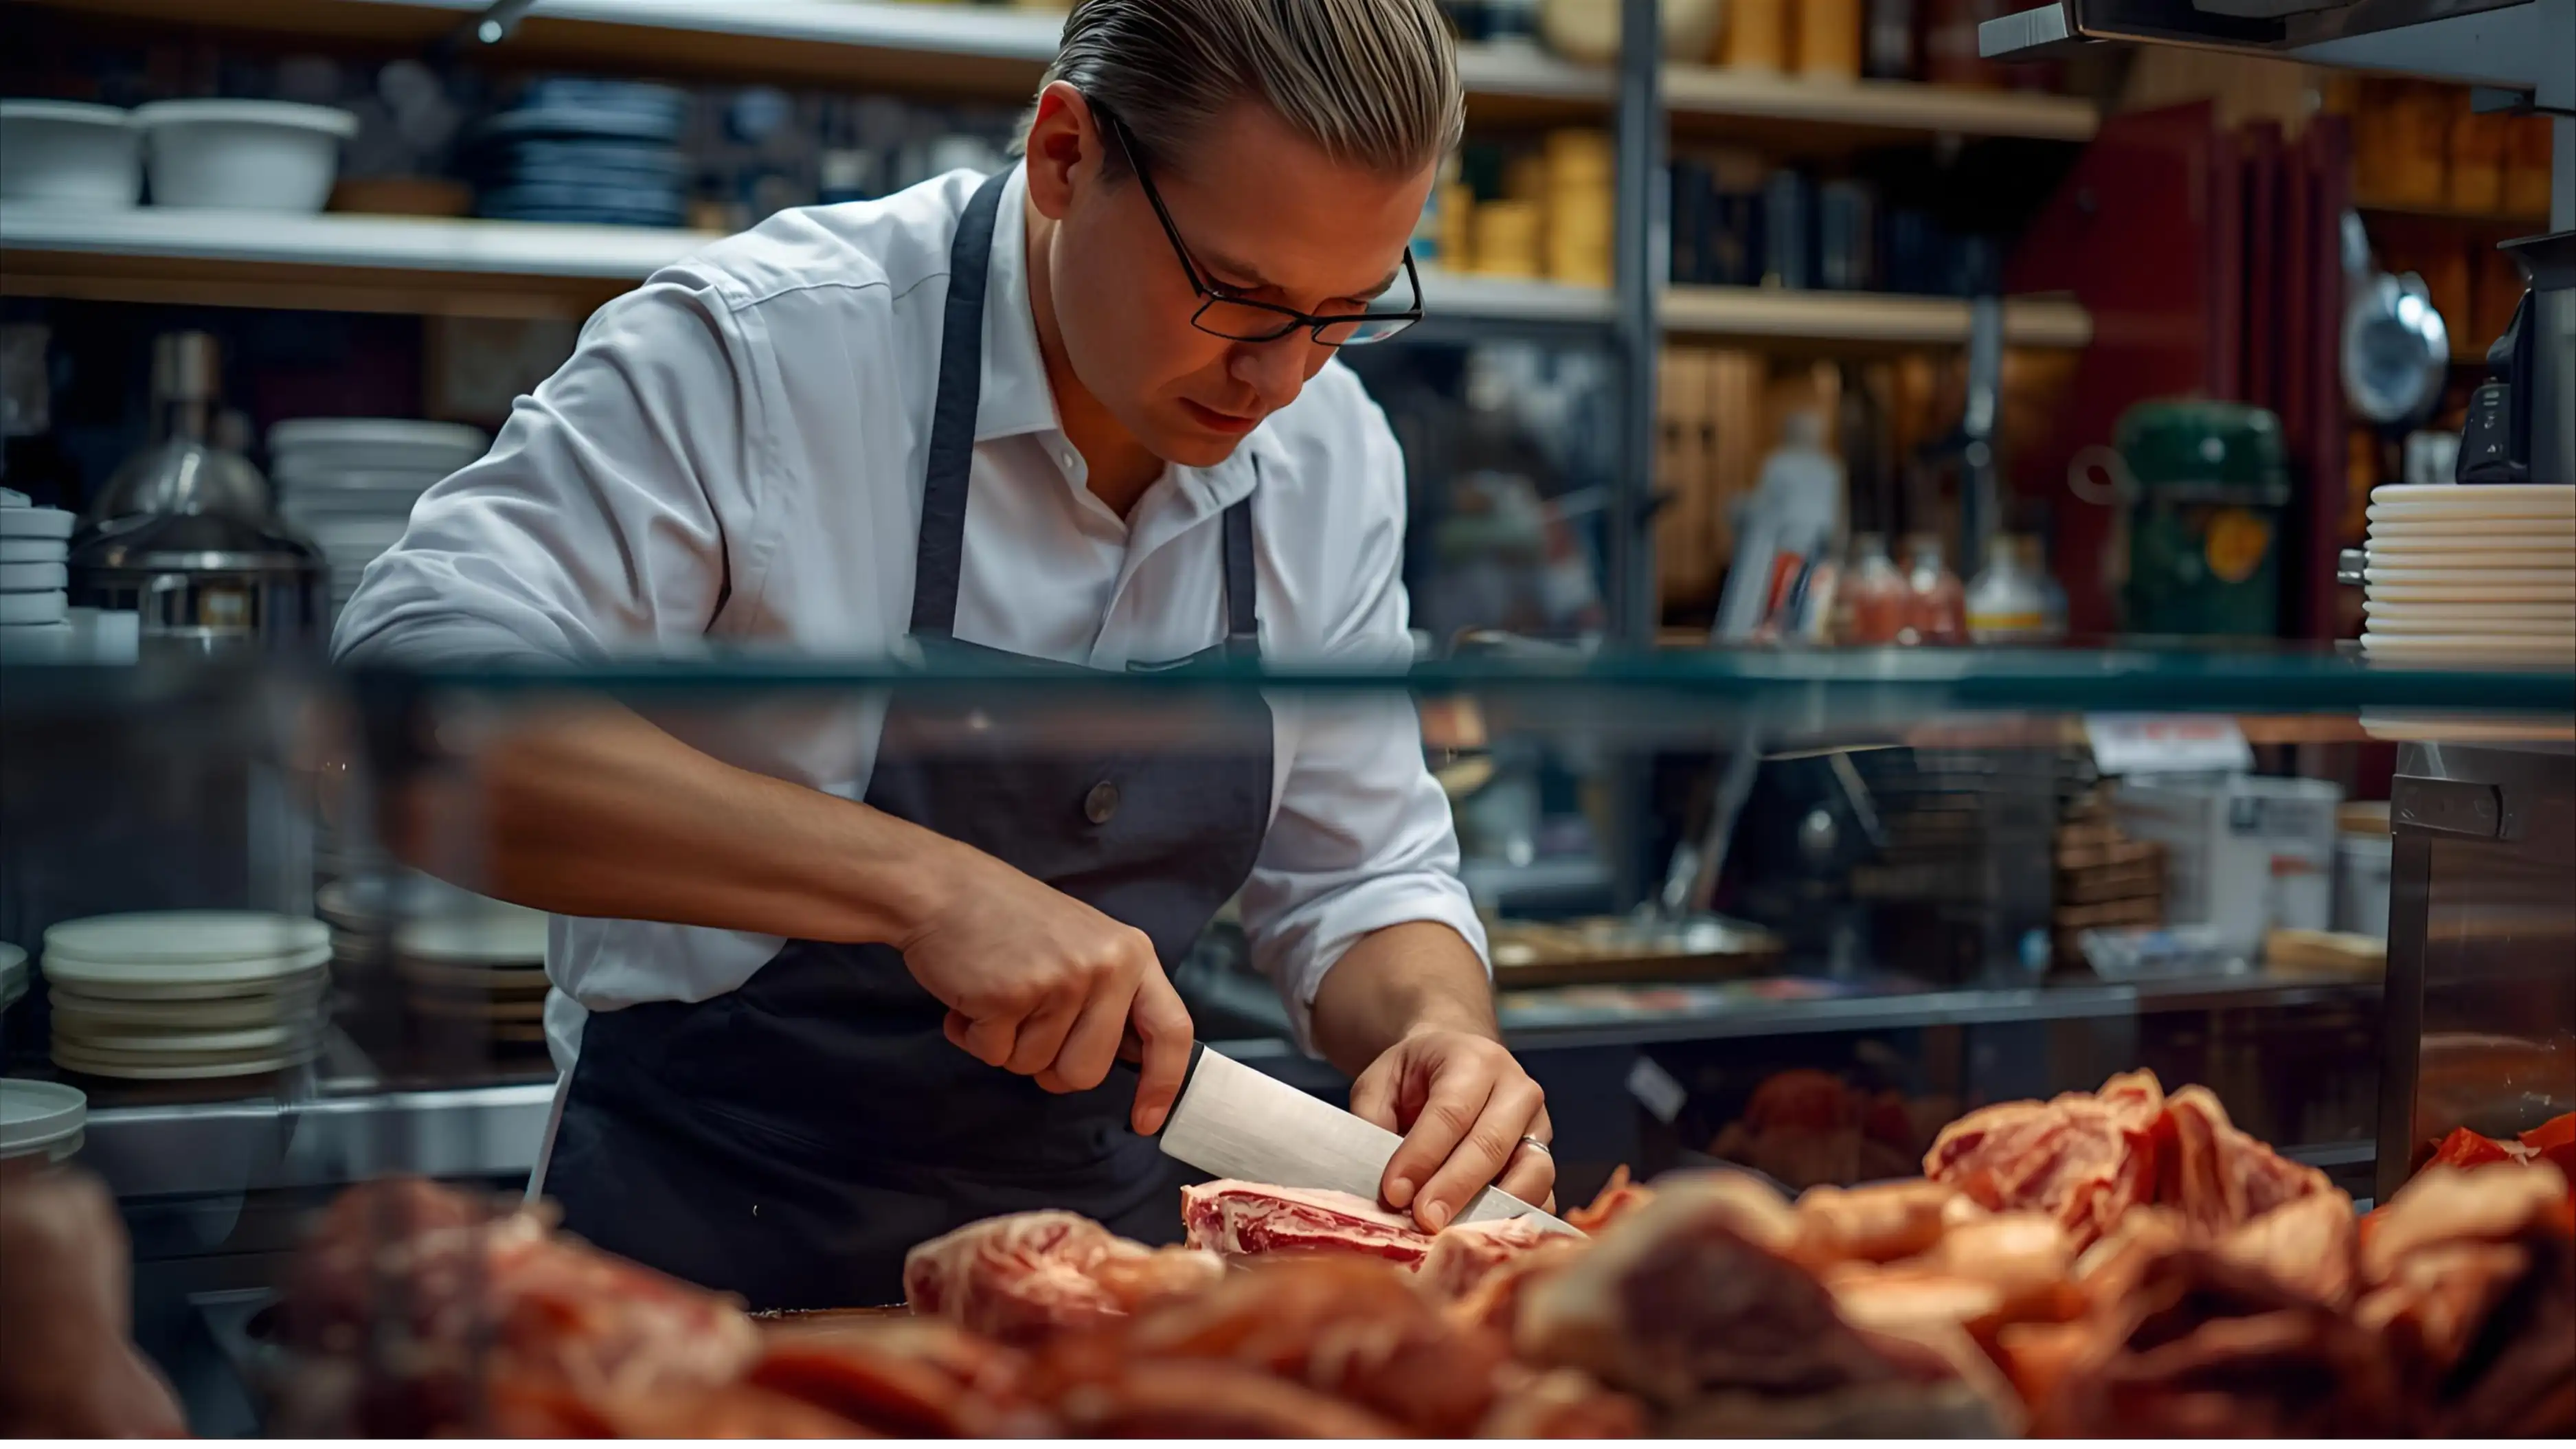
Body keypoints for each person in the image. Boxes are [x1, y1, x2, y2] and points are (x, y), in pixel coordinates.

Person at [334, 0, 1554, 1310]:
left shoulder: (1329, 452)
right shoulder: (765, 349)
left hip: (1093, 1295)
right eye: (1236, 295)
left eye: (1344, 313)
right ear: (1065, 152)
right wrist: (923, 889)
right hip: (704, 1279)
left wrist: (1438, 1027)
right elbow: (403, 719)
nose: (1279, 377)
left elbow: (1361, 875)